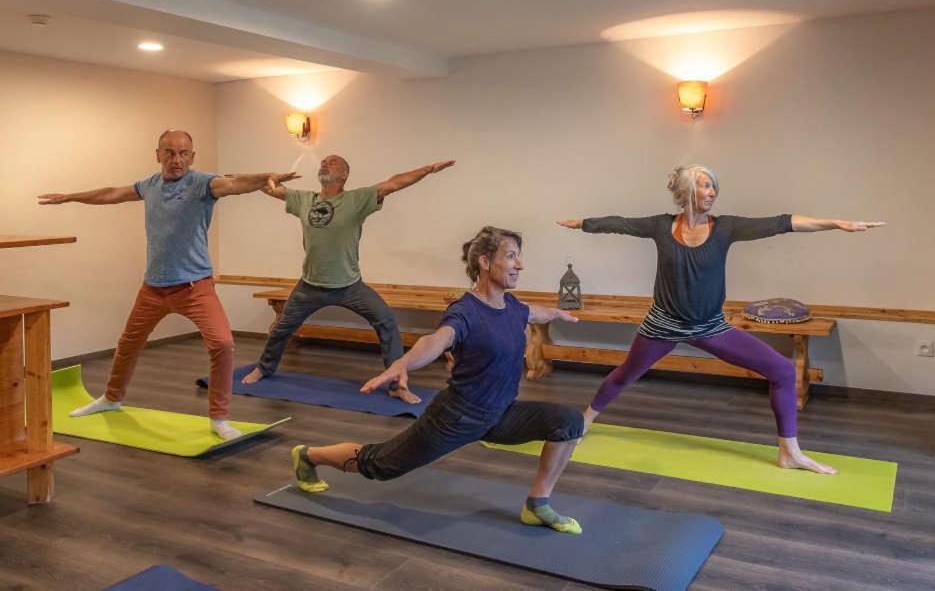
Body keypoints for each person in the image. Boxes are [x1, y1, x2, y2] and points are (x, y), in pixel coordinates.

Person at [558, 164, 885, 474]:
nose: (712, 191)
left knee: (783, 370)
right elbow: (621, 224)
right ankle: (584, 422)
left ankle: (790, 452)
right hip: (663, 325)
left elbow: (783, 223)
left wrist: (836, 223)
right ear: (687, 191)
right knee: (623, 376)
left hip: (710, 327)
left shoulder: (726, 227)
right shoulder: (660, 226)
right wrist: (585, 223)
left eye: (713, 185)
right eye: (705, 185)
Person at [290, 226, 585, 533]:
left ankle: (537, 505)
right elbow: (437, 340)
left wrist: (556, 312)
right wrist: (403, 362)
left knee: (568, 422)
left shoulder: (512, 306)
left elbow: (531, 313)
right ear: (485, 262)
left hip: (500, 414)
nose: (520, 265)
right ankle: (308, 455)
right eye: (511, 257)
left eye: (519, 257)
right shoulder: (465, 311)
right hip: (456, 418)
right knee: (378, 464)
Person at [38, 129, 298, 440]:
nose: (177, 160)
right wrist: (71, 196)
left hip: (195, 287)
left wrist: (266, 176)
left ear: (192, 156)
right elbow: (111, 193)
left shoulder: (203, 184)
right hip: (153, 288)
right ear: (158, 154)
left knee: (223, 344)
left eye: (183, 153)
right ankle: (111, 398)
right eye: (170, 153)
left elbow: (233, 183)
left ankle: (219, 418)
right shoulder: (149, 185)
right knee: (127, 344)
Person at [239, 155, 455, 404]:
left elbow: (394, 183)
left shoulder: (357, 200)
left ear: (344, 175)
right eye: (323, 161)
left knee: (386, 321)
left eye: (332, 162)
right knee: (281, 329)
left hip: (349, 286)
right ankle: (264, 368)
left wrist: (427, 169)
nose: (324, 163)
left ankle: (396, 384)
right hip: (309, 286)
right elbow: (266, 187)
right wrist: (269, 178)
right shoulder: (304, 199)